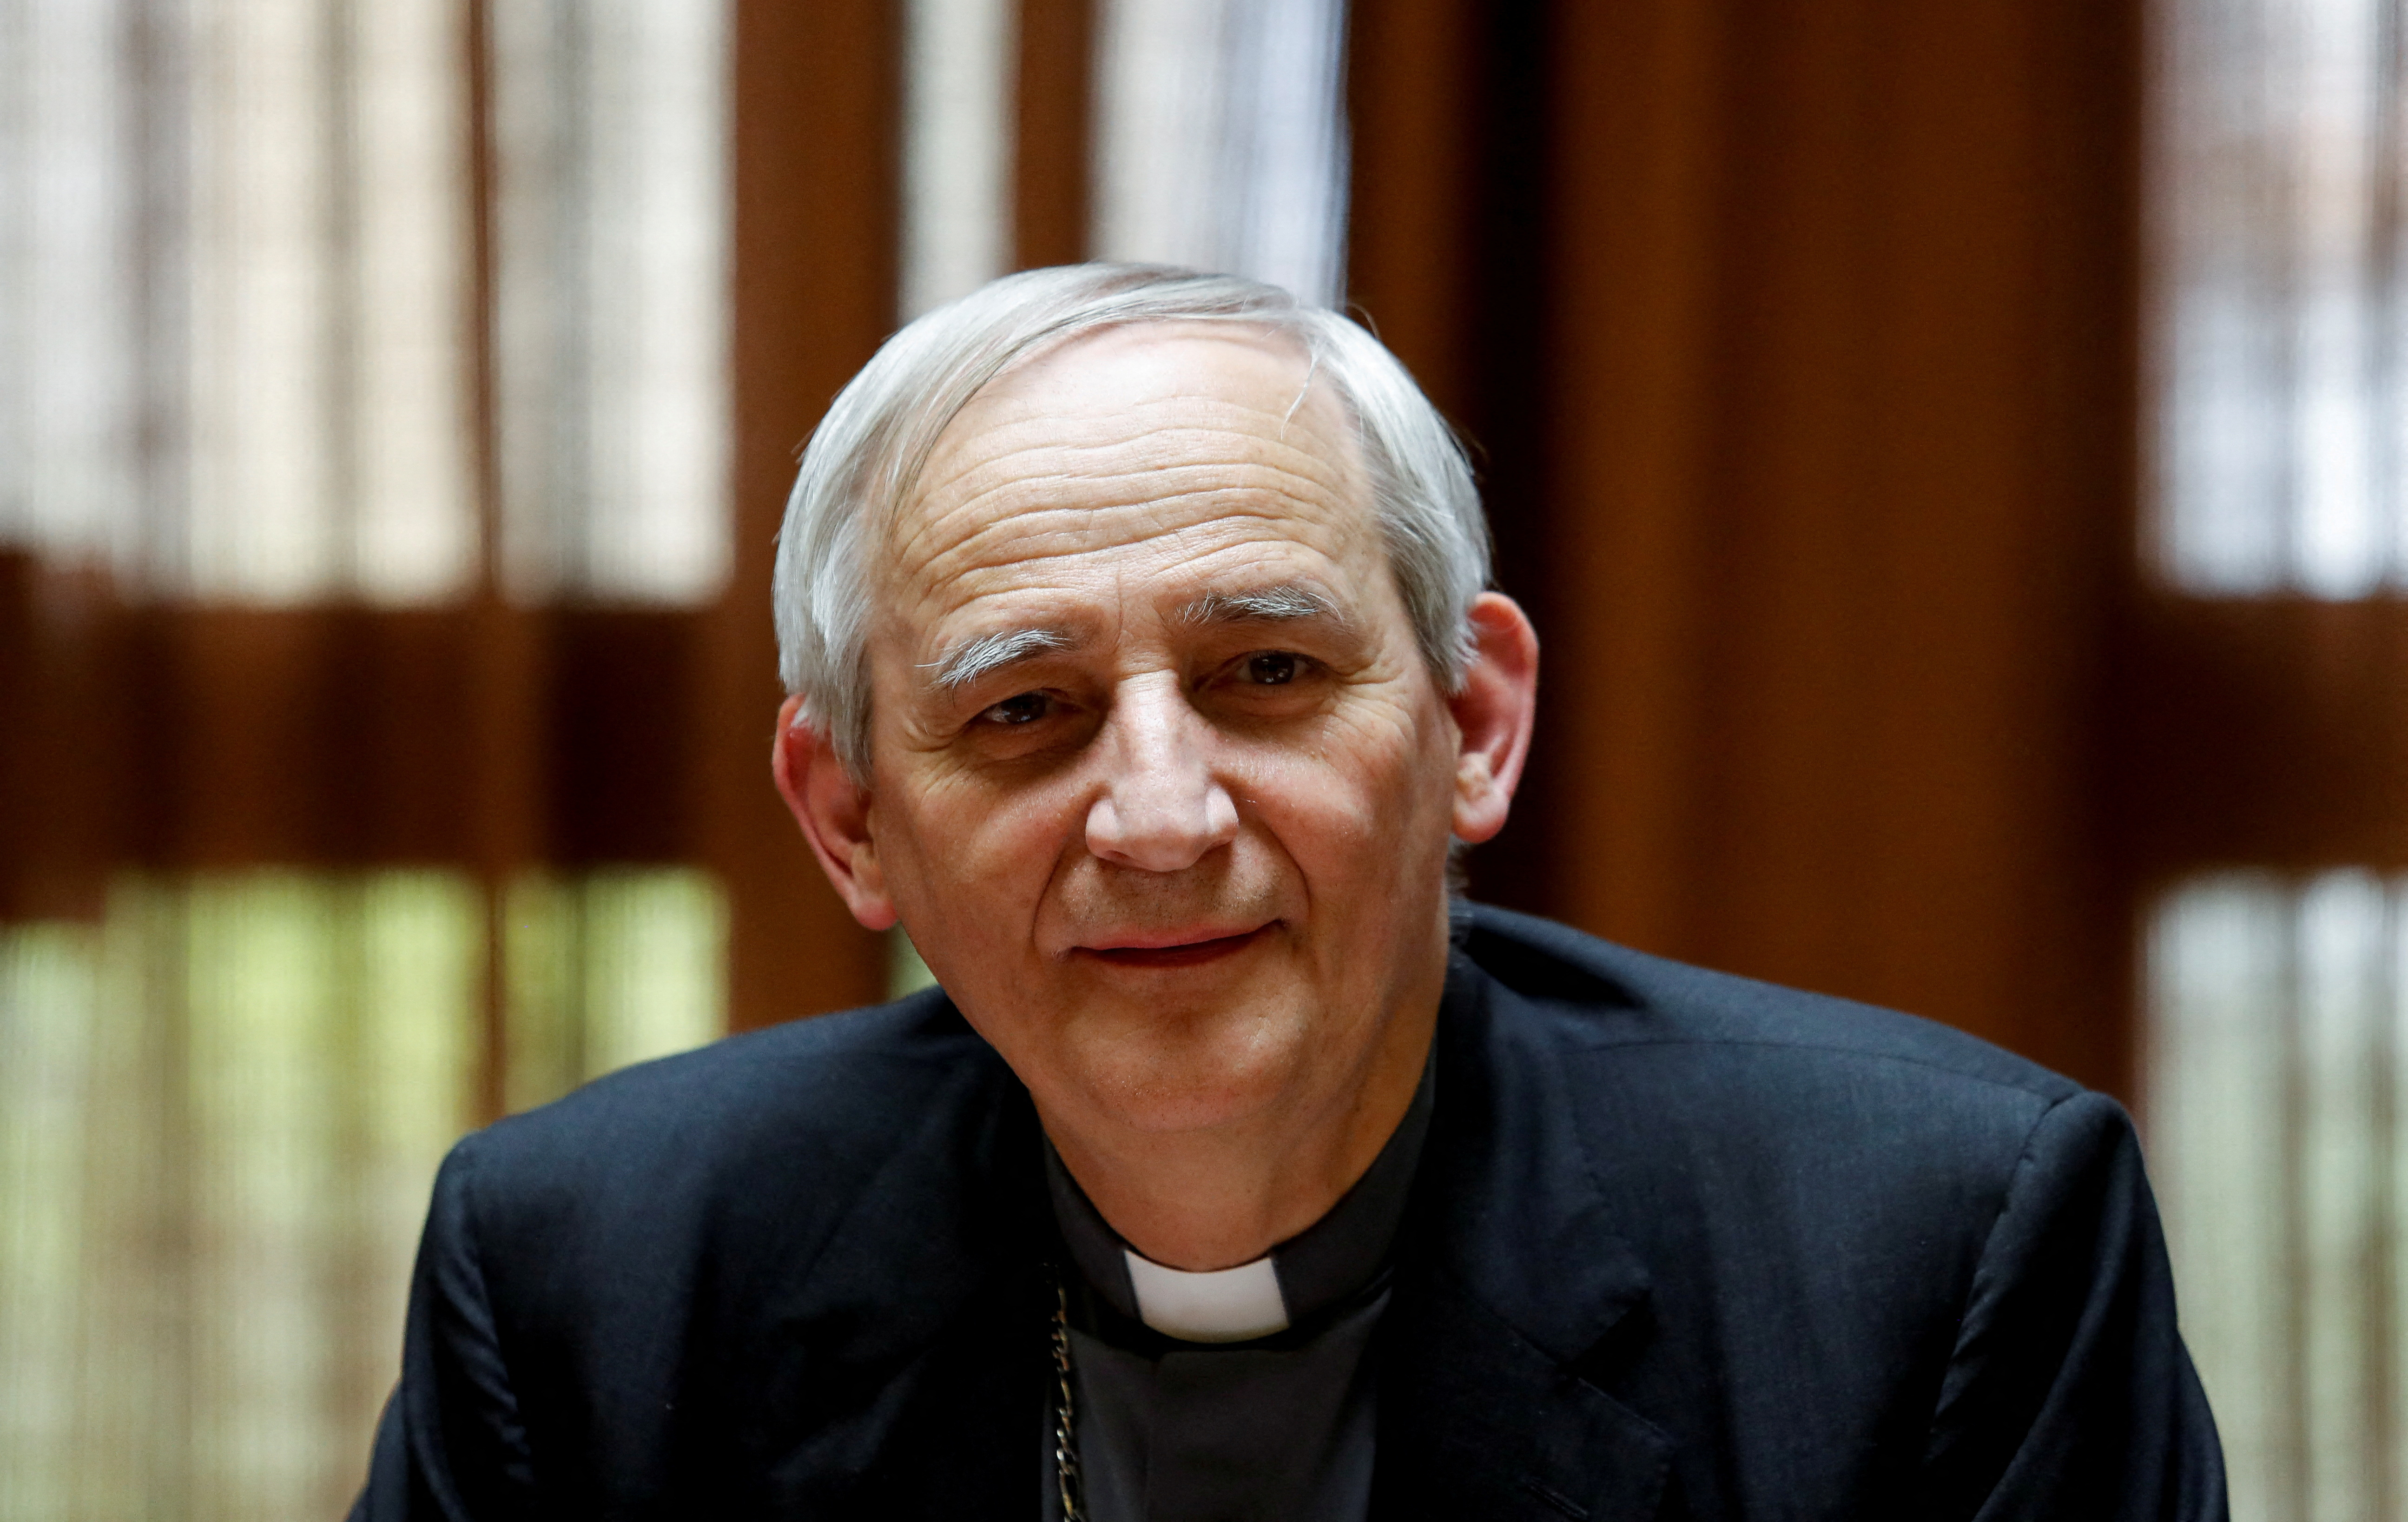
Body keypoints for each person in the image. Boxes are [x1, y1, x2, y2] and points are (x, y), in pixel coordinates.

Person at [352, 264, 2225, 1520]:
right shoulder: (592, 1285)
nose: (1159, 818)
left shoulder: (1937, 1251)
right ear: (848, 818)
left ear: (1471, 725)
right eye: (1025, 711)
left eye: (1268, 674)